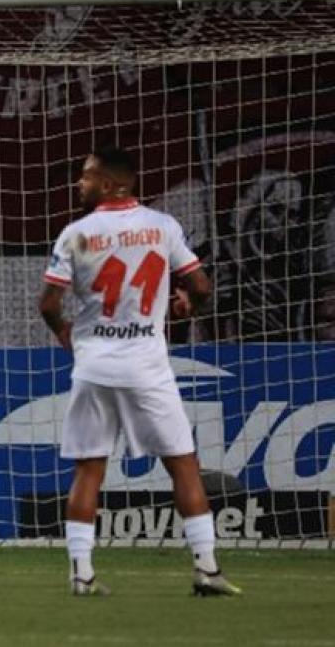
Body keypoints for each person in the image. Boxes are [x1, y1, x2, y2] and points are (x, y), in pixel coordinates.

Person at [39, 146, 241, 597]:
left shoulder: (76, 234)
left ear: (111, 184)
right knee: (183, 464)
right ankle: (207, 569)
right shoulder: (163, 226)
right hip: (147, 367)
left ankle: (81, 575)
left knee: (89, 470)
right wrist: (189, 303)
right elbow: (201, 285)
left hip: (94, 366)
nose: (79, 183)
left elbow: (49, 304)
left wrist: (64, 333)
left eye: (87, 176)